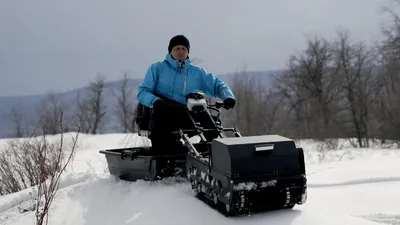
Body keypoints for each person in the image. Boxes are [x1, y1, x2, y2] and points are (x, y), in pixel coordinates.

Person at [136, 34, 236, 154]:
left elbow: (217, 85)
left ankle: (212, 156)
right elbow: (143, 91)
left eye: (184, 49)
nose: (180, 51)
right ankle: (166, 162)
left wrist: (228, 97)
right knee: (163, 141)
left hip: (187, 112)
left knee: (212, 127)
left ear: (188, 51)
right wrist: (155, 101)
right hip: (163, 111)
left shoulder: (197, 72)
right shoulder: (157, 68)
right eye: (177, 48)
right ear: (170, 51)